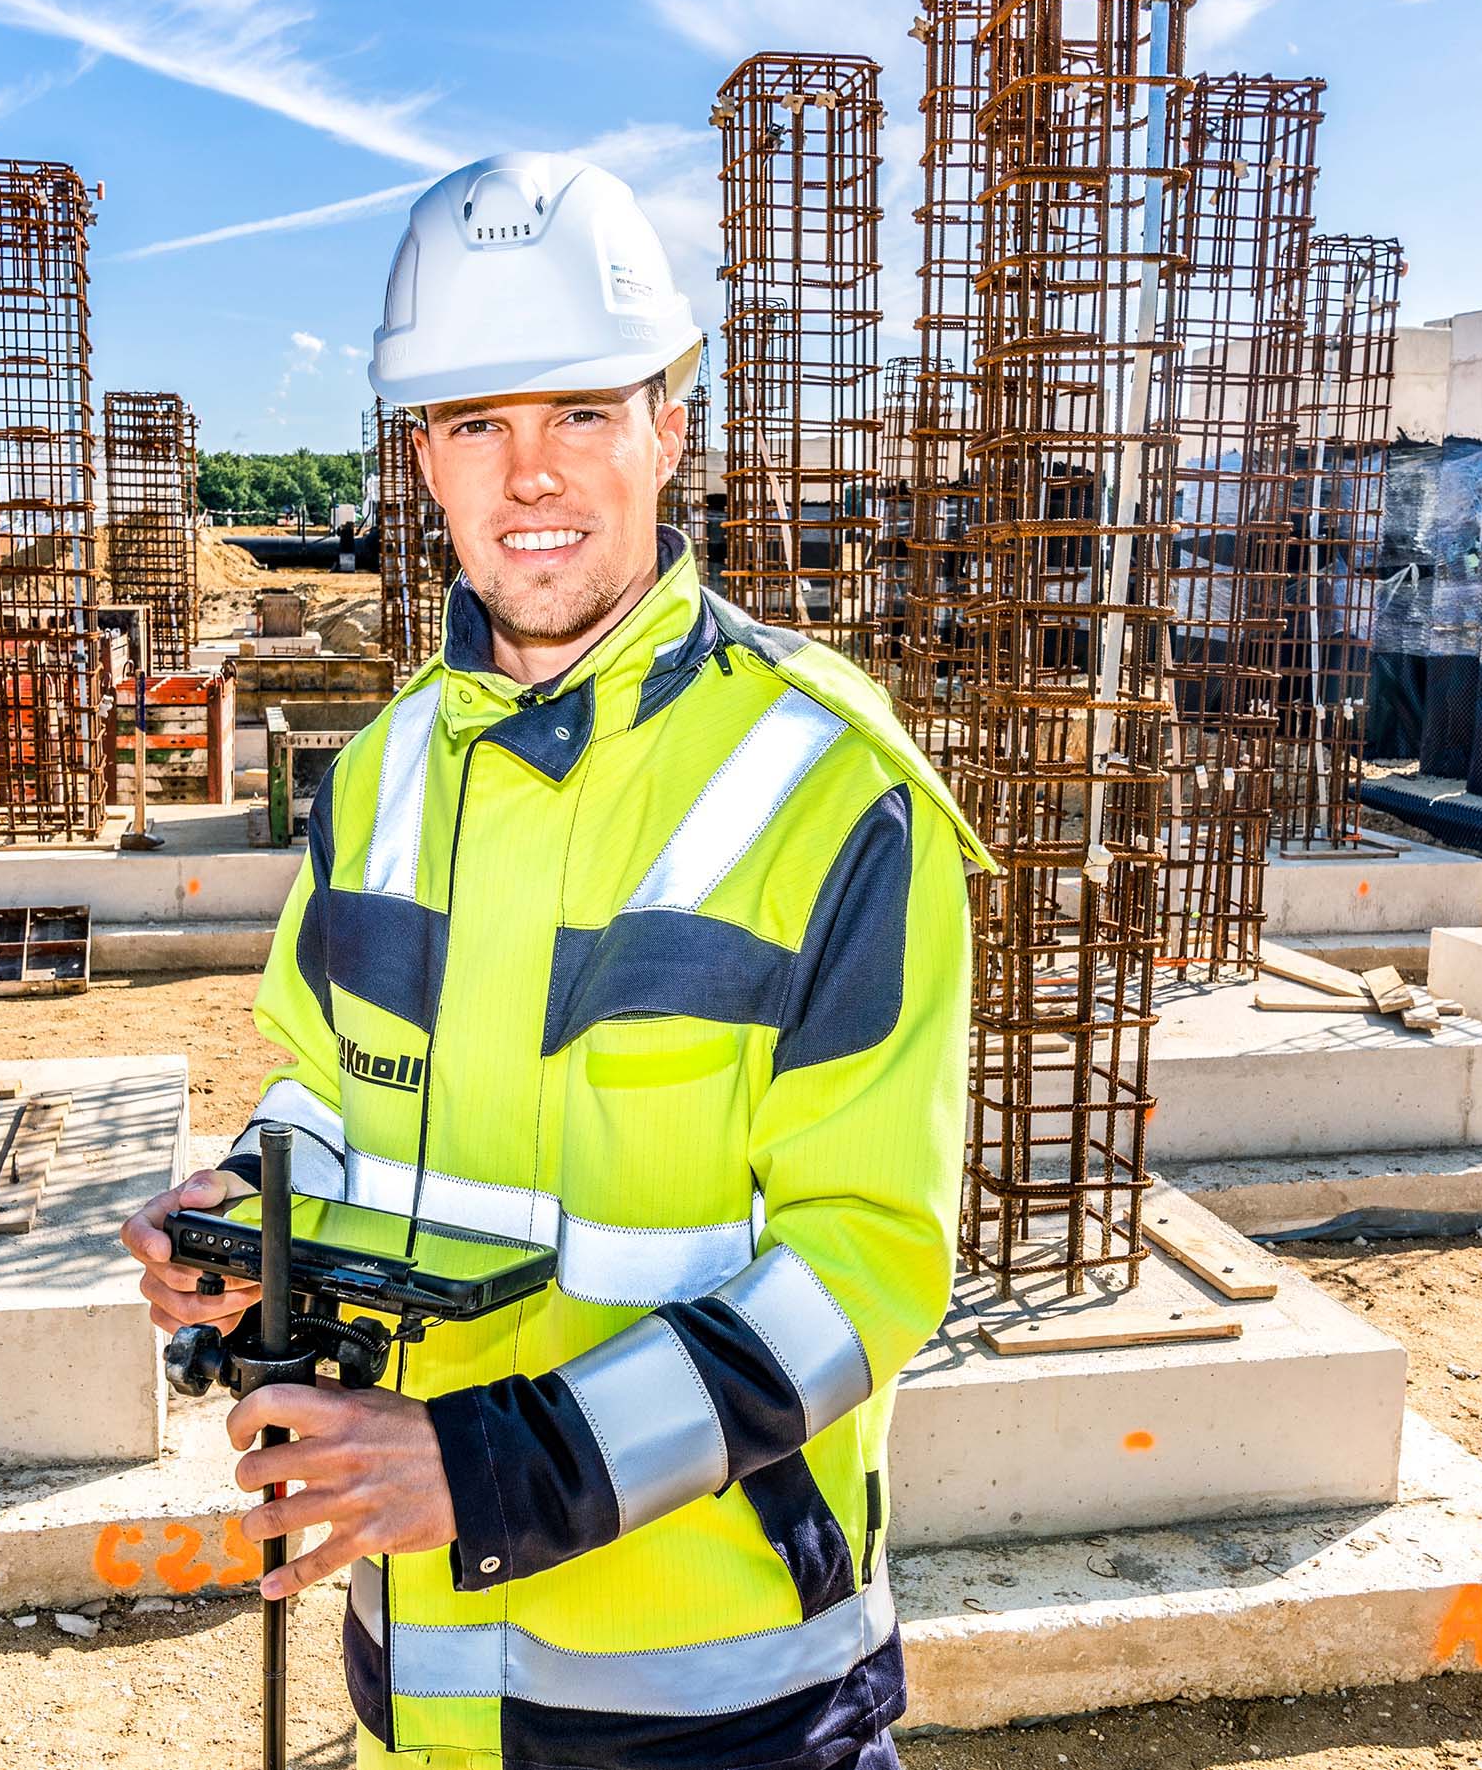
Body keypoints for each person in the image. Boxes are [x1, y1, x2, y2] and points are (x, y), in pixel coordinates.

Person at [123, 151, 985, 1770]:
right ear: (421, 464)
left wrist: (491, 1469)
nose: (531, 473)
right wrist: (249, 1207)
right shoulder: (377, 778)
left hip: (721, 1704)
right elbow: (337, 1095)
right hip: (425, 1682)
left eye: (580, 413)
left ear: (670, 423)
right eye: (476, 423)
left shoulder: (830, 788)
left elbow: (866, 1267)